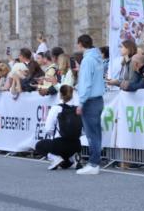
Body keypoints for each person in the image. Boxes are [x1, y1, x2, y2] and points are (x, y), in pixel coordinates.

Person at [74, 34, 105, 174]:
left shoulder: (87, 60)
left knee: (92, 134)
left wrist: (81, 103)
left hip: (90, 100)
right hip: (98, 99)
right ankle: (95, 162)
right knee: (96, 132)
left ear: (80, 44)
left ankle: (93, 164)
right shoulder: (98, 58)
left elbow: (86, 83)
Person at [34, 84, 82, 170]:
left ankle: (55, 158)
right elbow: (82, 129)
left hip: (60, 144)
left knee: (39, 145)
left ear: (60, 95)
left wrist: (55, 135)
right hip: (76, 145)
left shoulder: (56, 108)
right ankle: (73, 157)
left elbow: (48, 128)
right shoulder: (77, 109)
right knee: (65, 165)